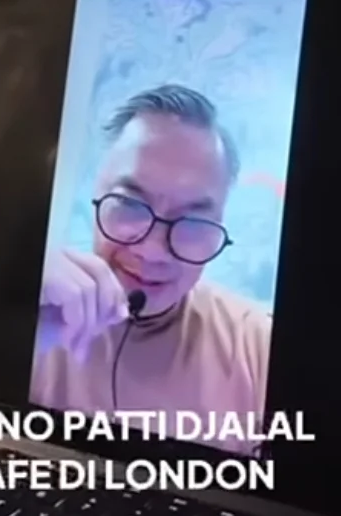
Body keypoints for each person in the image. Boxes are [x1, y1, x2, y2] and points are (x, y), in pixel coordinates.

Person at [29, 84, 272, 456]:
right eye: (129, 204)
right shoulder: (34, 302)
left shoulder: (258, 348)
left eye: (192, 223)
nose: (152, 252)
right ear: (95, 195)